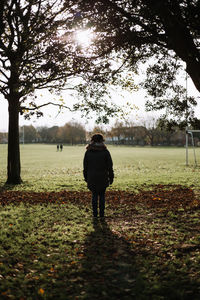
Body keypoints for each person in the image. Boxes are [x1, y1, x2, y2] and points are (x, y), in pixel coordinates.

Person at [83, 133, 114, 218]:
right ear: (101, 141)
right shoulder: (105, 152)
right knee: (102, 195)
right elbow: (110, 166)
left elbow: (85, 166)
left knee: (94, 195)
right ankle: (102, 214)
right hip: (103, 177)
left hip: (92, 177)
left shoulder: (88, 152)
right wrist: (111, 177)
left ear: (92, 140)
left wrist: (86, 177)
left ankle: (95, 214)